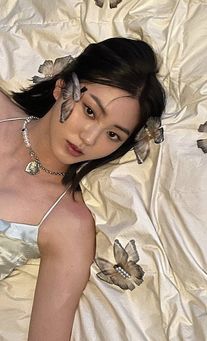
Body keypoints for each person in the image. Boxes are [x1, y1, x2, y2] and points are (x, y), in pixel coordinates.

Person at [0, 37, 166, 340]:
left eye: (113, 134)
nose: (89, 138)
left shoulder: (68, 224)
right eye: (90, 111)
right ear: (62, 88)